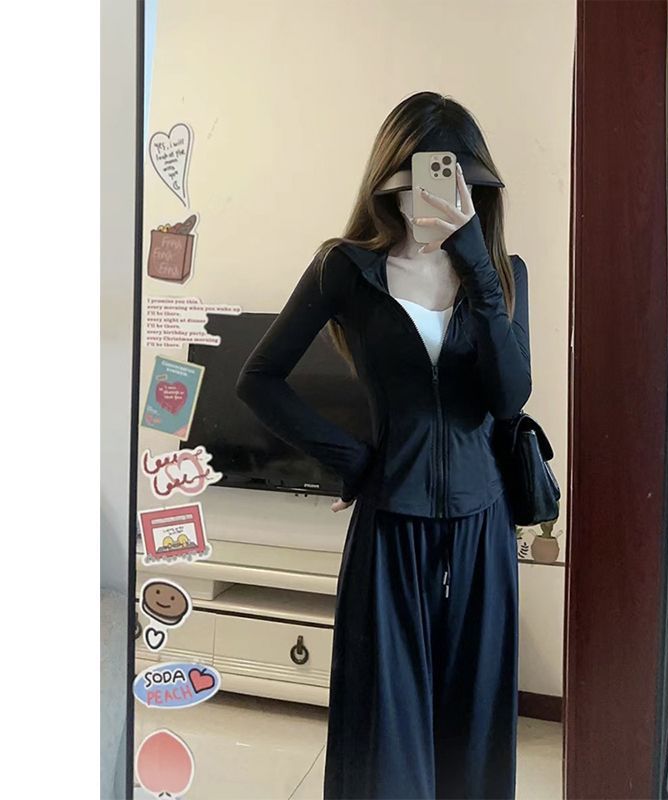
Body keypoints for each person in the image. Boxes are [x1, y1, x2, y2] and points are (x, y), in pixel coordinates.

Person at [236, 91, 531, 800]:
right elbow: (260, 379)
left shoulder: (502, 274)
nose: (435, 197)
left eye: (455, 181)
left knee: (474, 733)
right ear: (389, 183)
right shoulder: (347, 268)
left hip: (483, 529)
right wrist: (356, 463)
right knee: (385, 742)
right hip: (390, 529)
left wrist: (477, 269)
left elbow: (509, 397)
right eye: (419, 180)